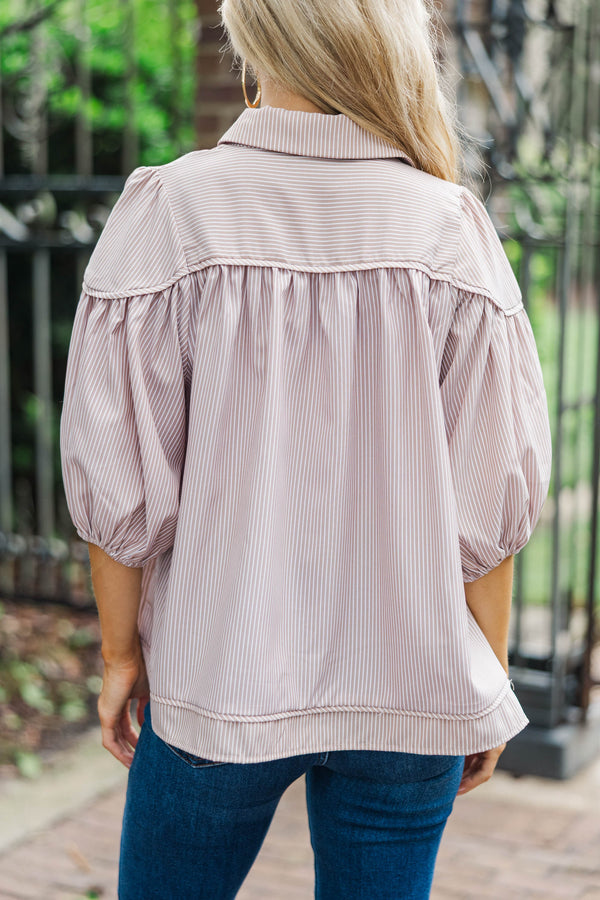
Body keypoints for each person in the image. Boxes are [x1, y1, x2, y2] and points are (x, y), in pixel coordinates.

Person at [59, 0, 552, 897]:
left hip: (216, 682)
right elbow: (491, 508)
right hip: (412, 691)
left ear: (250, 36)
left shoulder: (174, 209)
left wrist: (120, 657)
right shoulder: (450, 226)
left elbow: (120, 480)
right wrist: (485, 671)